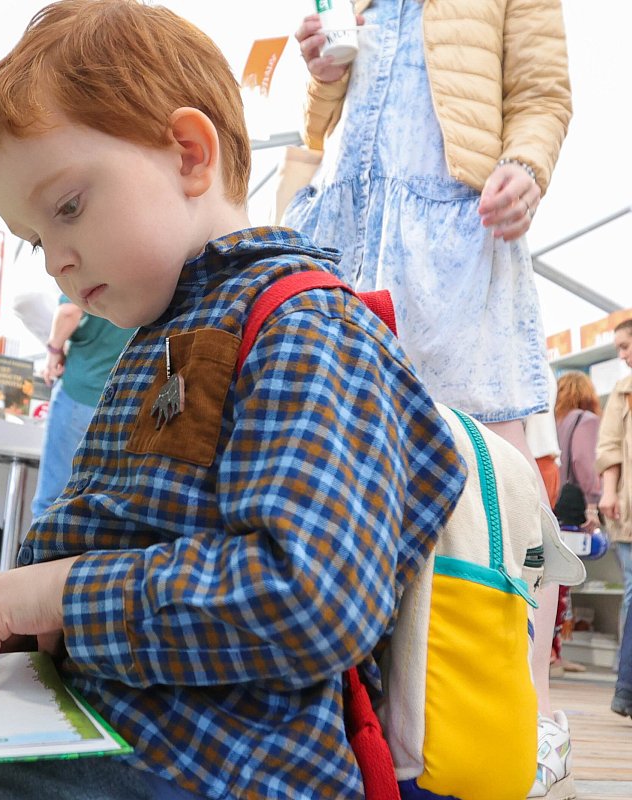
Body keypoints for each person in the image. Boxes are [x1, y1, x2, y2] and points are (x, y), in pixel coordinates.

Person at [0, 3, 466, 797]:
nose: (56, 263)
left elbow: (311, 597)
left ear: (188, 153)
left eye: (68, 207)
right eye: (36, 239)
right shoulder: (167, 329)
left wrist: (61, 594)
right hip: (94, 732)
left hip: (204, 768)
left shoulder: (308, 325)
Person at [280, 2, 573, 790]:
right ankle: (377, 715)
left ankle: (530, 717)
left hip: (456, 229)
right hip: (354, 228)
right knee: (353, 474)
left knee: (503, 491)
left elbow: (545, 93)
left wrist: (528, 167)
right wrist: (323, 72)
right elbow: (326, 120)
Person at [31, 298, 132, 519]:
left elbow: (69, 311)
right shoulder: (140, 268)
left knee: (53, 501)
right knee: (103, 505)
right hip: (123, 401)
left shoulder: (88, 263)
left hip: (79, 392)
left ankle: (42, 554)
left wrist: (54, 349)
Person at [552, 371, 601, 676]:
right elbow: (584, 461)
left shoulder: (556, 422)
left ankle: (549, 652)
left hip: (552, 498)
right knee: (564, 579)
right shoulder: (587, 419)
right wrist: (594, 502)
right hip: (573, 505)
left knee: (550, 578)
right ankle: (555, 655)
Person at [596, 319, 632, 719]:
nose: (621, 355)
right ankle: (626, 691)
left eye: (625, 346)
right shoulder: (623, 391)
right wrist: (608, 492)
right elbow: (609, 447)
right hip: (628, 510)